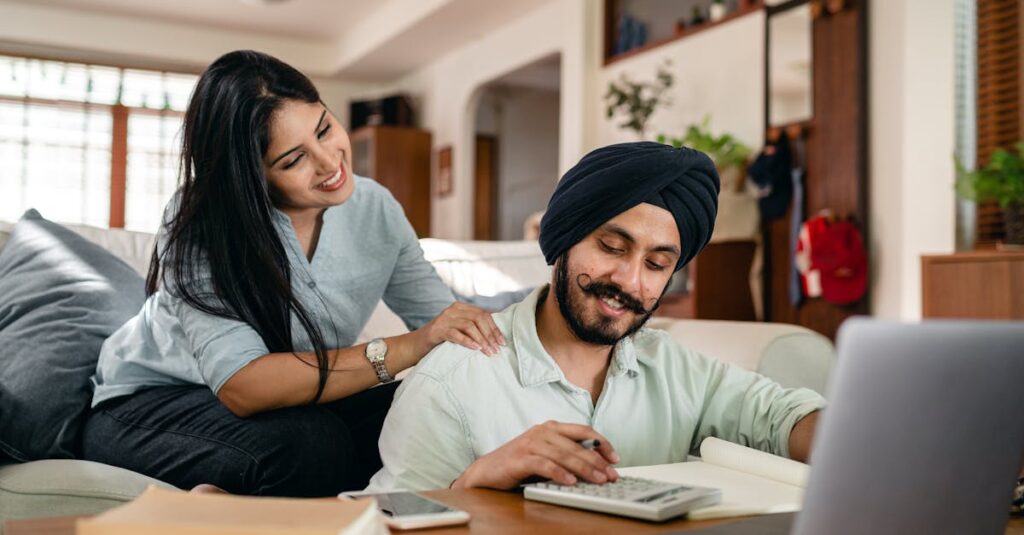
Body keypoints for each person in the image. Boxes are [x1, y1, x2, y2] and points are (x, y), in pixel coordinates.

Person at [81, 50, 504, 497]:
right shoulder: (203, 222)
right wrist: (409, 346)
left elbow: (445, 326)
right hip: (149, 404)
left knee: (424, 412)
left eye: (324, 129)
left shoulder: (375, 208)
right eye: (293, 160)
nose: (329, 163)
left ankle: (235, 506)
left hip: (289, 406)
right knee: (310, 445)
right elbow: (244, 387)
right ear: (250, 176)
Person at [366, 142, 826, 491]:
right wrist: (475, 483)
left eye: (656, 264)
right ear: (564, 240)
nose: (629, 281)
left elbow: (779, 418)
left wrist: (850, 438)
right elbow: (385, 524)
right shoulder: (451, 381)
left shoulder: (672, 368)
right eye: (611, 247)